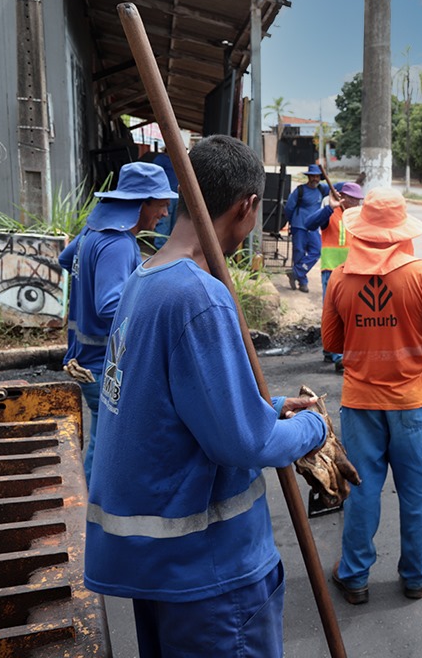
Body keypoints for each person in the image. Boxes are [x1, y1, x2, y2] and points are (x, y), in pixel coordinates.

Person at [84, 135, 329, 657]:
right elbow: (242, 444)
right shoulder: (198, 296)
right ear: (247, 207)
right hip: (211, 577)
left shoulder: (143, 279)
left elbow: (178, 411)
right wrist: (314, 429)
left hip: (160, 571)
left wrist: (269, 407)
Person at [321, 187, 422, 604]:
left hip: (361, 403)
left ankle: (355, 575)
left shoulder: (343, 280)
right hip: (411, 404)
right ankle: (415, 576)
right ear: (402, 232)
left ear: (362, 232)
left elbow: (332, 341)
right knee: (417, 489)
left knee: (362, 488)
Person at [59, 162, 175, 483]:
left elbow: (65, 259)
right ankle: (86, 514)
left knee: (104, 441)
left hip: (82, 359)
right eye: (162, 204)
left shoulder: (93, 232)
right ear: (141, 203)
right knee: (105, 448)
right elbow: (110, 305)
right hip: (101, 366)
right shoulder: (118, 244)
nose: (165, 213)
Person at [303, 181, 364, 371]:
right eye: (353, 199)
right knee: (334, 311)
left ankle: (333, 351)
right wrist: (330, 207)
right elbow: (308, 224)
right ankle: (337, 354)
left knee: (345, 312)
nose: (357, 203)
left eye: (358, 200)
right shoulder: (330, 213)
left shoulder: (358, 218)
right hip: (331, 271)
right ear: (342, 197)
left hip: (352, 271)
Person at [283, 163, 329, 293]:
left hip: (313, 227)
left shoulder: (322, 189)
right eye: (312, 176)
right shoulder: (300, 190)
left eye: (317, 177)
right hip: (299, 226)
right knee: (299, 252)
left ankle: (296, 272)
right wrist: (293, 222)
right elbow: (289, 209)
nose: (315, 179)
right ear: (308, 177)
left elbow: (336, 188)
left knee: (316, 251)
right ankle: (303, 282)